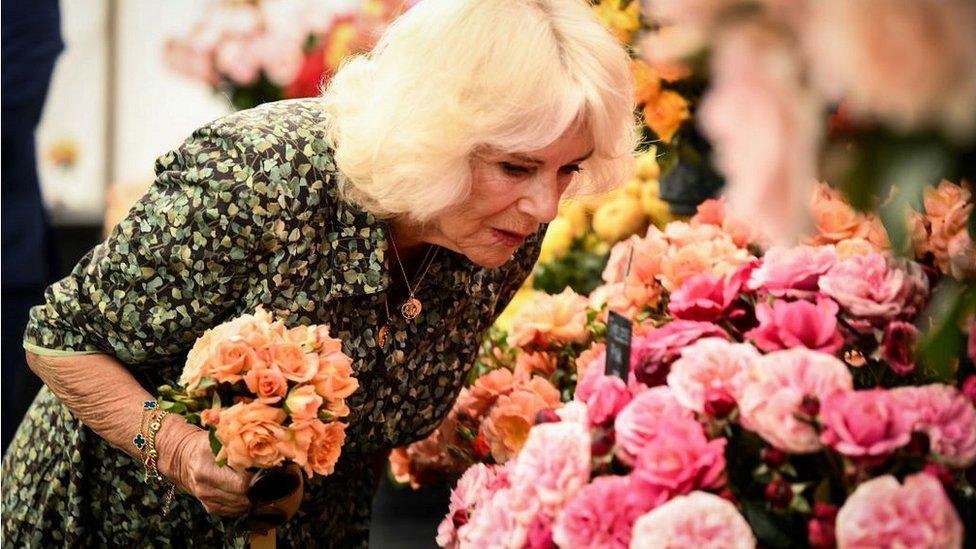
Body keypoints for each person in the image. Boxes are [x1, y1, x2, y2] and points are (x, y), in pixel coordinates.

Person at [1, 0, 636, 545]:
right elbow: (59, 338)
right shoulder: (257, 179)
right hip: (105, 524)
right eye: (517, 167)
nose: (547, 205)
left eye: (569, 169)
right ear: (437, 133)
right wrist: (180, 448)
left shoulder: (505, 229)